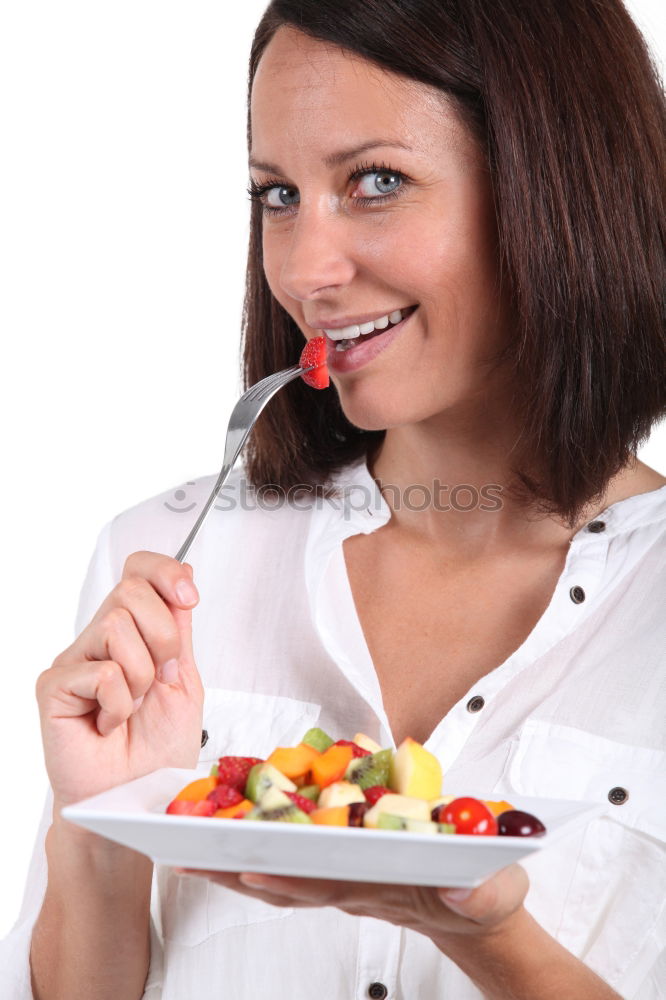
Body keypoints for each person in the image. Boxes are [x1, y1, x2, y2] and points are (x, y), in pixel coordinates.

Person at [2, 0, 664, 997]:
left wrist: (492, 938)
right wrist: (98, 827)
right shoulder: (165, 565)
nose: (305, 271)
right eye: (278, 194)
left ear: (556, 189)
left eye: (377, 182)